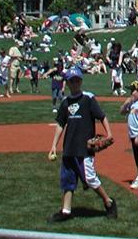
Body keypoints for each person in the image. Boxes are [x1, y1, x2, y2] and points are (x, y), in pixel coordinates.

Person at [47, 67, 118, 221]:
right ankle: (66, 211)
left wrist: (109, 133)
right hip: (69, 148)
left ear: (81, 81)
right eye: (71, 81)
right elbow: (60, 124)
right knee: (67, 180)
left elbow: (102, 116)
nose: (74, 83)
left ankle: (109, 202)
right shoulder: (66, 102)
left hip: (84, 149)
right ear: (67, 82)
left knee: (90, 178)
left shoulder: (88, 98)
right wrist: (54, 145)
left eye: (77, 80)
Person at [123, 81, 138, 189]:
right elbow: (122, 112)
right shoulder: (134, 103)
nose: (131, 92)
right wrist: (126, 103)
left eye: (133, 90)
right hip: (133, 135)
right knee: (137, 157)